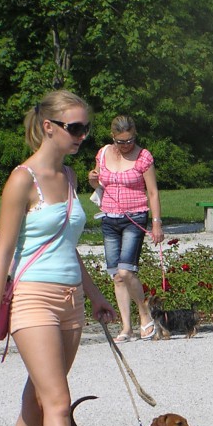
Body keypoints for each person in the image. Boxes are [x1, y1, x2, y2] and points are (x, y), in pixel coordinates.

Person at [0, 90, 126, 426]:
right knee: (58, 401)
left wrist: (96, 294)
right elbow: (3, 252)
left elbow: (68, 244)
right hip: (32, 299)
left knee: (38, 400)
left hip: (71, 302)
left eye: (86, 128)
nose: (83, 136)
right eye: (75, 128)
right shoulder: (22, 180)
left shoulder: (69, 177)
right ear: (49, 126)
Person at [88, 115, 164, 342]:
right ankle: (126, 327)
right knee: (116, 276)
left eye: (130, 140)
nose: (126, 145)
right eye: (121, 142)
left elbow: (153, 192)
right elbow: (99, 184)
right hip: (109, 217)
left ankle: (144, 314)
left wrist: (157, 223)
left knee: (126, 270)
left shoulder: (143, 157)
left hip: (135, 217)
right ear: (113, 137)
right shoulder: (103, 154)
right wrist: (92, 179)